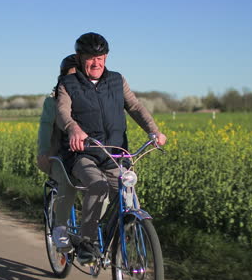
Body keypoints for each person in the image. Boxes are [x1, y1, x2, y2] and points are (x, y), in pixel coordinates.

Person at [54, 32, 167, 262]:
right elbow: (62, 112)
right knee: (97, 186)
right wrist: (73, 128)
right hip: (83, 153)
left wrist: (153, 130)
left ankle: (116, 238)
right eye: (91, 57)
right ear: (80, 57)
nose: (96, 63)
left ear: (106, 57)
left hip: (115, 154)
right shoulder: (68, 83)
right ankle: (88, 242)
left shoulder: (117, 80)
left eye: (101, 57)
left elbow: (134, 106)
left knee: (127, 193)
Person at [37, 55, 79, 243]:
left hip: (83, 156)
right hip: (59, 156)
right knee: (67, 184)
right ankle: (60, 230)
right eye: (70, 76)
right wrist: (44, 153)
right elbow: (45, 128)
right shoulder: (52, 102)